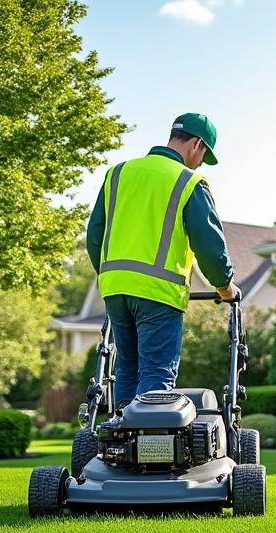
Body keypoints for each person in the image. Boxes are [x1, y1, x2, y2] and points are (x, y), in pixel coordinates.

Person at [86, 113, 239, 409]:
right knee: (156, 373)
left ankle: (122, 446)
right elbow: (209, 245)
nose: (199, 163)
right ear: (197, 144)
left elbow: (95, 236)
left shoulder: (118, 173)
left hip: (115, 288)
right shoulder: (188, 181)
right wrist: (225, 286)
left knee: (126, 369)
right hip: (158, 293)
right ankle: (149, 448)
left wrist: (110, 276)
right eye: (203, 155)